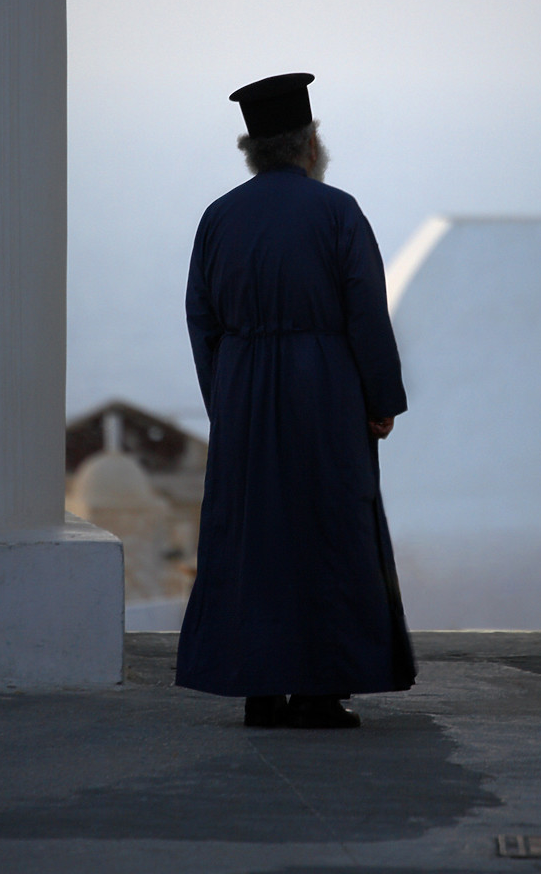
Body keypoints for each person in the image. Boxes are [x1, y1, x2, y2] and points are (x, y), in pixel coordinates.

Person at [176, 72, 415, 729]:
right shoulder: (336, 211)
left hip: (243, 389)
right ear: (309, 145)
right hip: (325, 389)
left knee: (253, 535)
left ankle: (259, 687)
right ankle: (316, 691)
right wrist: (380, 396)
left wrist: (224, 401)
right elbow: (366, 312)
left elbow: (203, 321)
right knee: (326, 530)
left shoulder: (219, 216)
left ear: (251, 149)